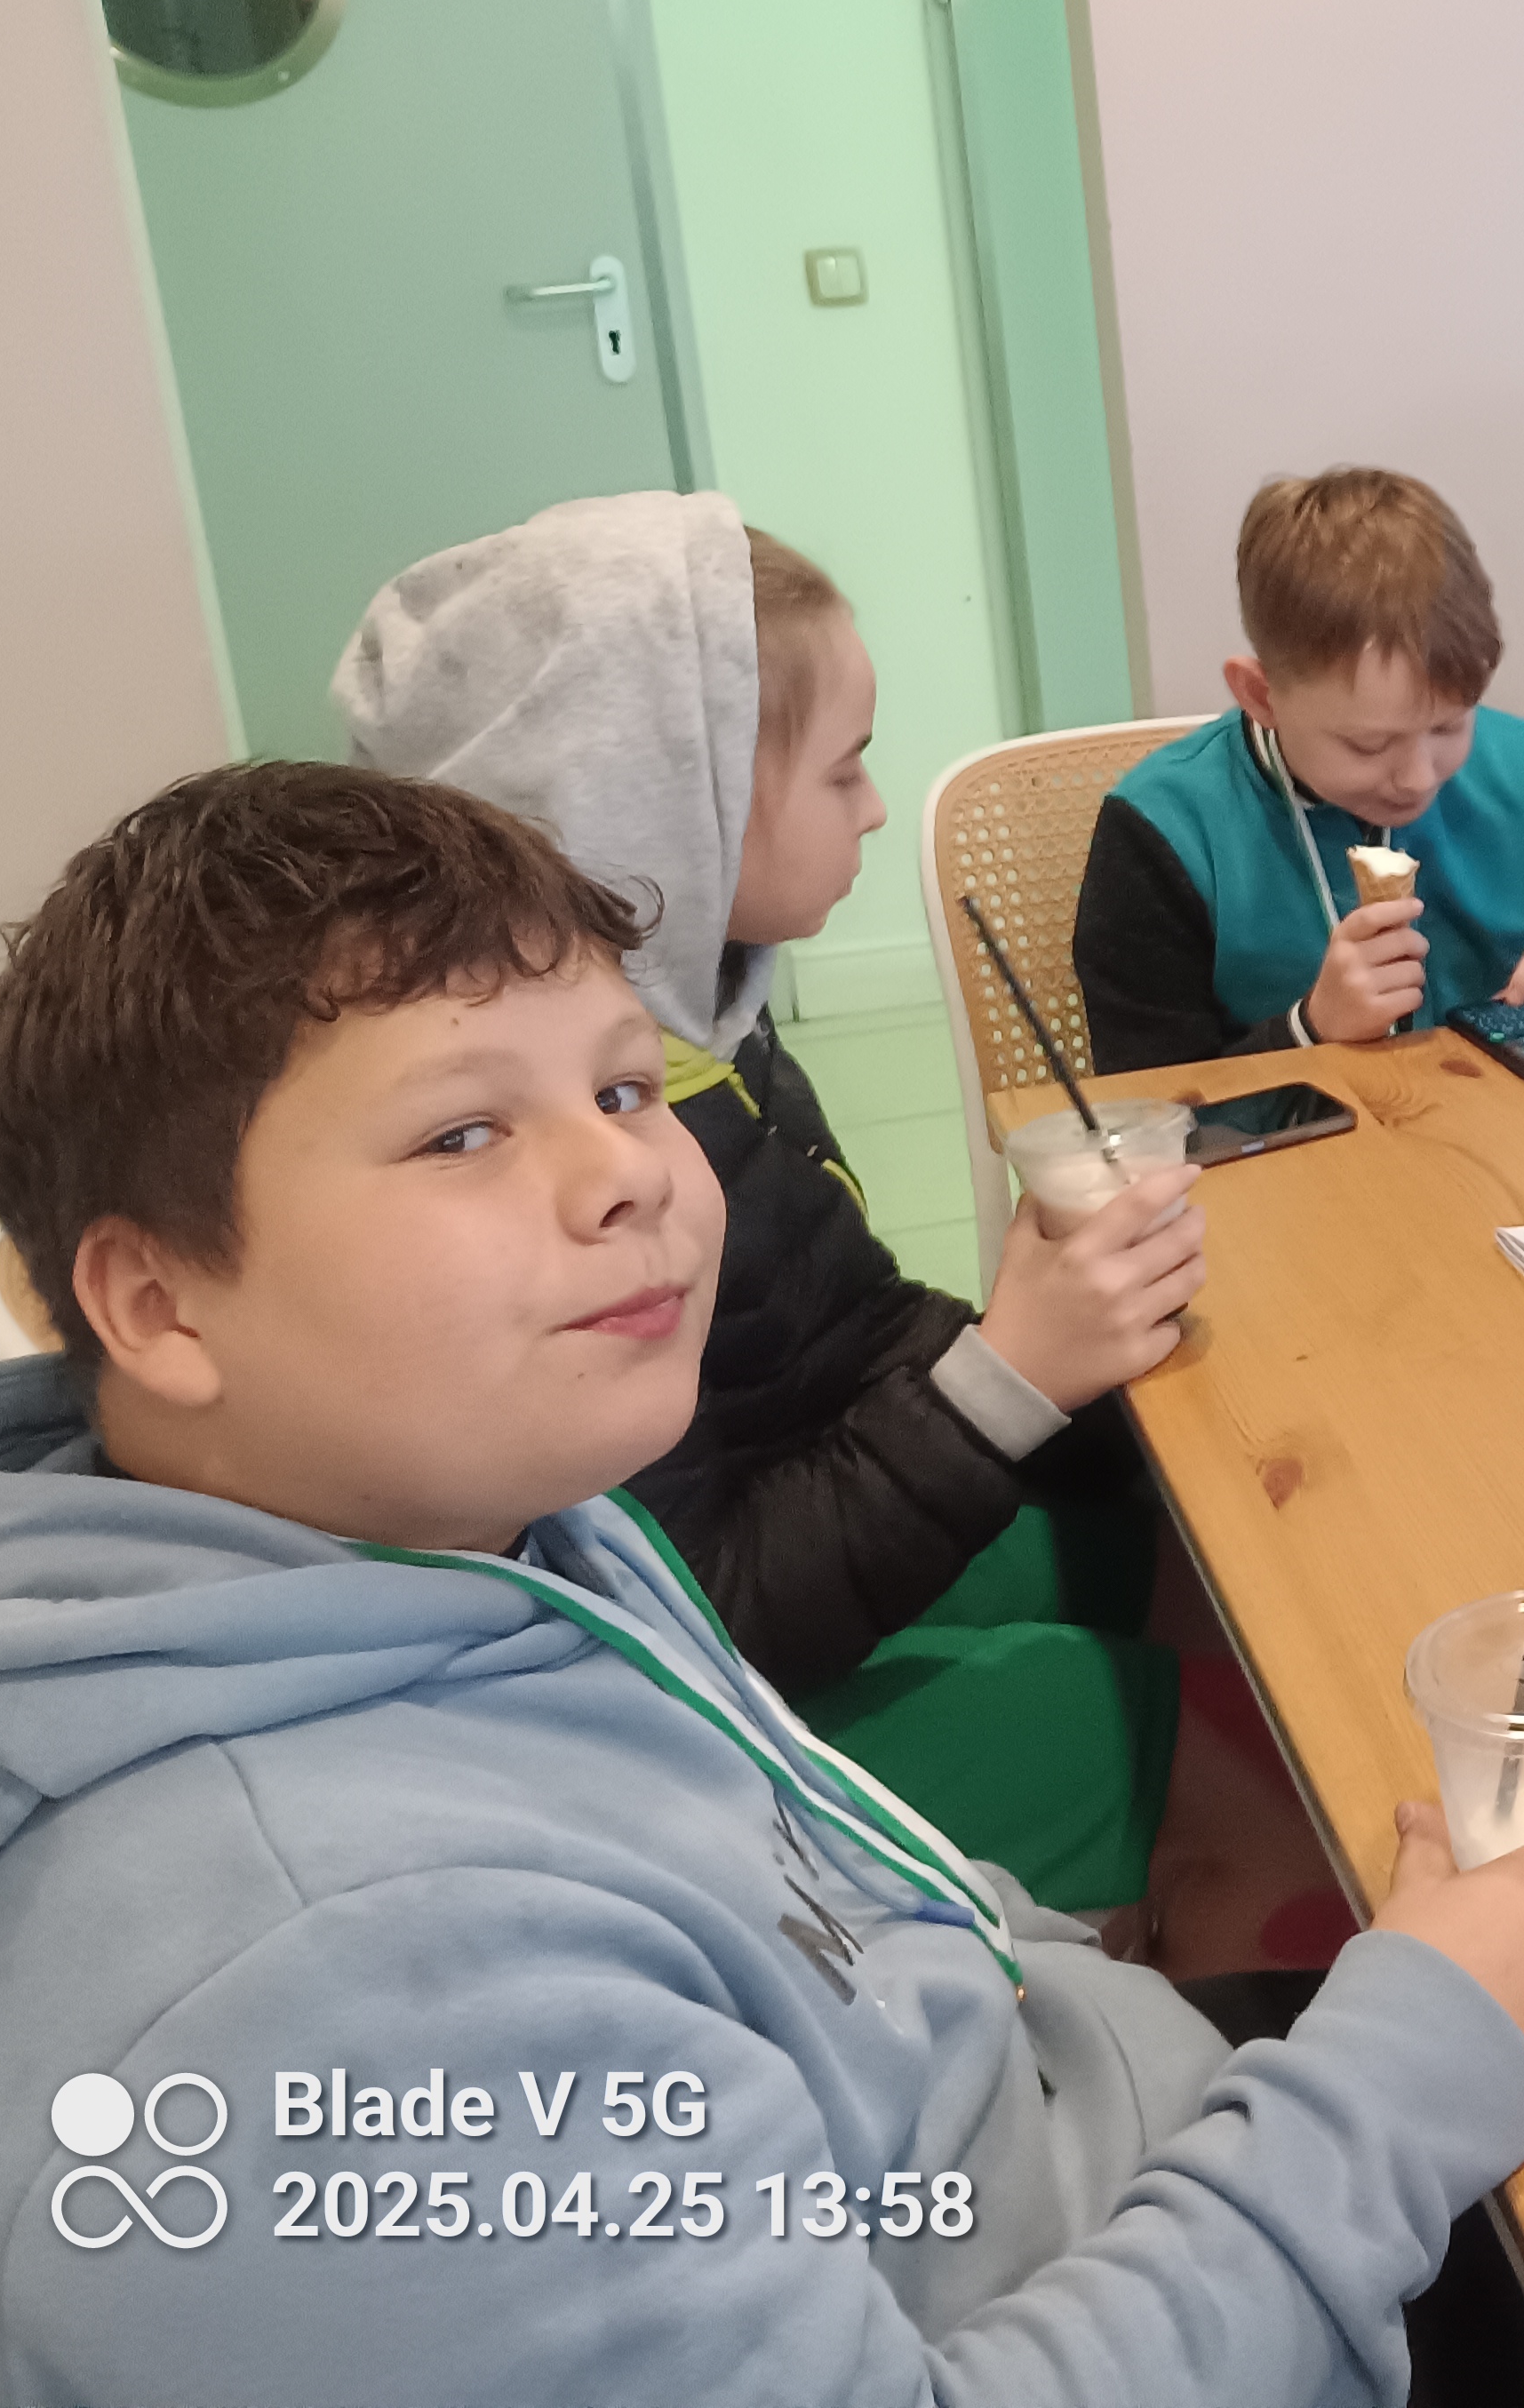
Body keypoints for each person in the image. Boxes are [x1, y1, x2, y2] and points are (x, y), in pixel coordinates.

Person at [0, 760, 1524, 2408]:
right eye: (464, 1132)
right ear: (156, 1303)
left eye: (625, 1085)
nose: (629, 1172)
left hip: (1097, 2151)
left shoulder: (498, 1520)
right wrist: (1405, 2070)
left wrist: (1374, 2025)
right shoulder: (326, 1999)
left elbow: (872, 1908)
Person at [336, 495, 1203, 1928]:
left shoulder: (704, 1030)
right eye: (843, 769)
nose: (875, 807)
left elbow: (845, 1327)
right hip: (692, 1739)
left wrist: (1070, 1365)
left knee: (1195, 1549)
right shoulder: (584, 1176)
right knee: (1235, 1743)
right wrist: (1009, 1377)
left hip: (799, 1562)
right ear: (666, 802)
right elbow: (699, 1610)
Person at [1075, 468, 1524, 1068]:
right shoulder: (1166, 828)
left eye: (1450, 726)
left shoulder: (1519, 769)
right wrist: (1309, 1029)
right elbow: (1151, 1111)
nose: (1420, 777)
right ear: (1261, 696)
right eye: (1368, 746)